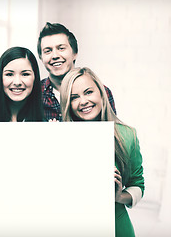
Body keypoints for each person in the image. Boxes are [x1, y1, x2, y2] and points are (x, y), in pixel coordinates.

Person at [60, 67, 144, 237]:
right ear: (68, 104)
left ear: (101, 92)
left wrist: (119, 196)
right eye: (74, 97)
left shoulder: (127, 135)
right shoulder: (61, 140)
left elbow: (138, 185)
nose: (83, 101)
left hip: (116, 227)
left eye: (88, 92)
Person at [37, 22, 116, 121]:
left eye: (61, 48)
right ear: (41, 57)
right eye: (48, 51)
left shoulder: (101, 92)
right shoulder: (35, 94)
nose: (55, 56)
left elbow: (111, 132)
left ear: (75, 53)